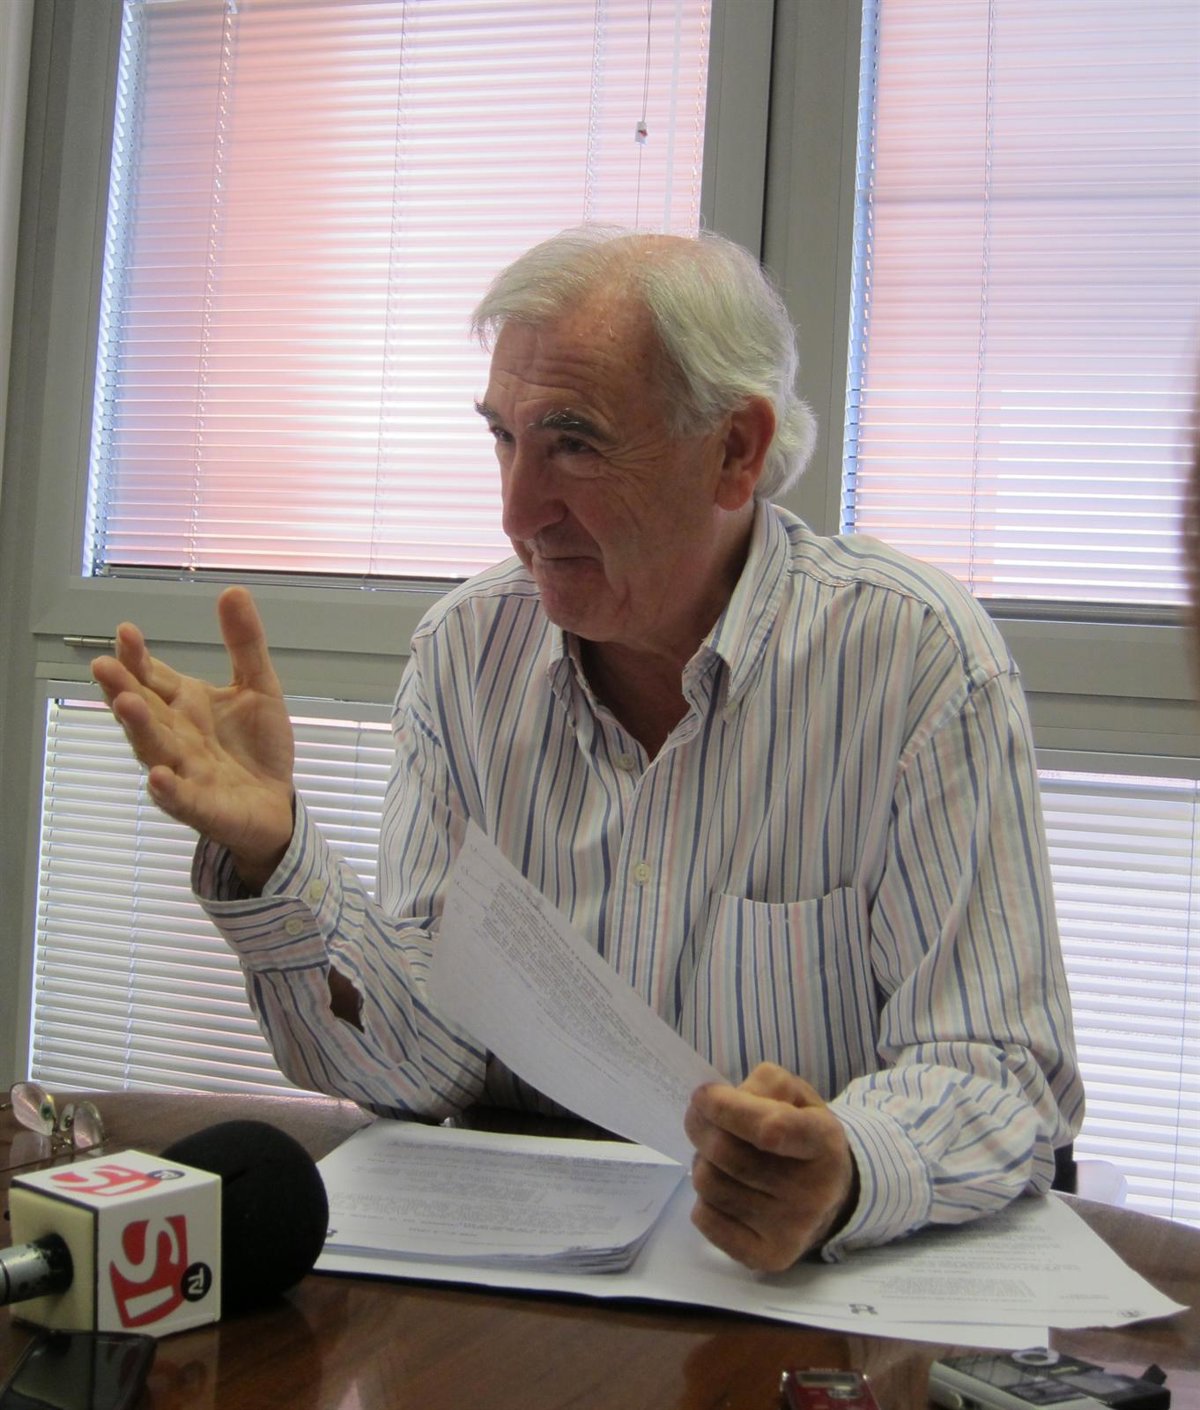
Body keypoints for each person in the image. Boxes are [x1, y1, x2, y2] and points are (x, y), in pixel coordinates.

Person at [92, 226, 1083, 1272]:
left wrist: (848, 1168)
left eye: (574, 443)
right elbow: (427, 1063)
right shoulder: (466, 656)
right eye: (503, 439)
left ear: (735, 453)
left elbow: (999, 1071)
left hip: (801, 1296)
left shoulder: (913, 659)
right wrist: (275, 857)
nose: (517, 511)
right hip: (528, 1284)